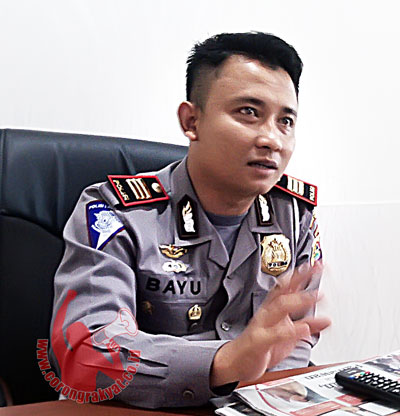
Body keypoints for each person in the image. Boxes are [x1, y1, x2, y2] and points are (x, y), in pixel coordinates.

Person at [49, 31, 330, 408]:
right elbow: (85, 351)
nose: (272, 140)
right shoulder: (111, 211)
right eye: (249, 112)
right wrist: (225, 362)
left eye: (286, 121)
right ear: (191, 120)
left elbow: (292, 341)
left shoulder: (294, 215)